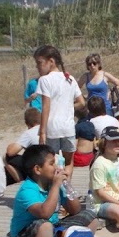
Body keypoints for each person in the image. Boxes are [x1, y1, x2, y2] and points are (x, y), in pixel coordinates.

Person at [35, 45, 84, 177]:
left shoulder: (45, 80)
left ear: (51, 61)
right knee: (69, 162)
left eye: (40, 63)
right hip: (68, 127)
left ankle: (55, 187)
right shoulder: (70, 78)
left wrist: (42, 132)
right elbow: (82, 102)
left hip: (52, 128)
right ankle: (67, 186)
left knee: (52, 162)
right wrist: (68, 107)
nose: (38, 67)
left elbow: (46, 106)